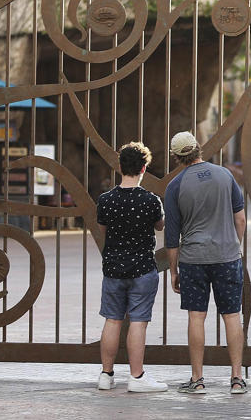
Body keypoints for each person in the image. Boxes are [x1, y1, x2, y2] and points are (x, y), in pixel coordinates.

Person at [164, 131, 247, 395]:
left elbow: (172, 236)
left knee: (196, 317)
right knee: (232, 315)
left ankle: (197, 380)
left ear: (177, 157)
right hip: (227, 256)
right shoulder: (225, 175)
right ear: (198, 149)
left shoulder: (175, 185)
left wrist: (174, 271)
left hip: (193, 259)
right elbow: (241, 219)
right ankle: (237, 379)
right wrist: (235, 245)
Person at [96, 141, 168, 392]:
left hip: (113, 268)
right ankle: (136, 377)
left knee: (112, 320)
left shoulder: (106, 200)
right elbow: (160, 227)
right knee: (138, 321)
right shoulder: (151, 200)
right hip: (142, 268)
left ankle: (106, 375)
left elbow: (103, 230)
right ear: (144, 168)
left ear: (120, 167)